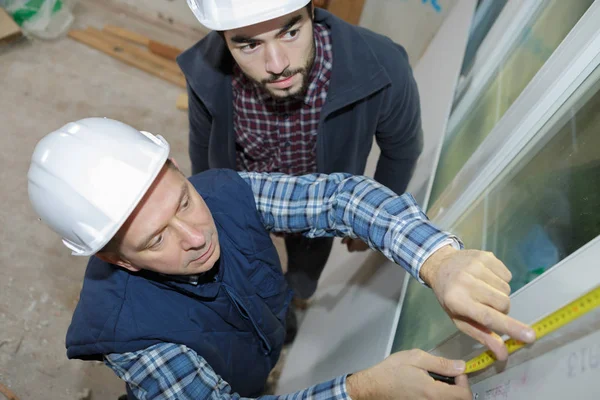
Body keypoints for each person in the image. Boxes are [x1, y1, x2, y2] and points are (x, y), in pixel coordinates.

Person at [27, 118, 535, 399]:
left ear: (178, 169)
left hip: (256, 348)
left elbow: (339, 199)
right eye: (156, 241)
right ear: (122, 261)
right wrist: (362, 391)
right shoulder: (131, 338)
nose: (197, 235)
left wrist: (438, 260)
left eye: (183, 201)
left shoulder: (223, 191)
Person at [178, 0, 425, 333]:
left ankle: (290, 302)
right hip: (243, 195)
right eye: (249, 44)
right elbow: (202, 145)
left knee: (305, 270)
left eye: (291, 32)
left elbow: (402, 149)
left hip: (317, 208)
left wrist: (372, 222)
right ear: (223, 37)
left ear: (312, 10)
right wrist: (202, 206)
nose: (277, 65)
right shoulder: (206, 74)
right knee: (239, 263)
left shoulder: (382, 66)